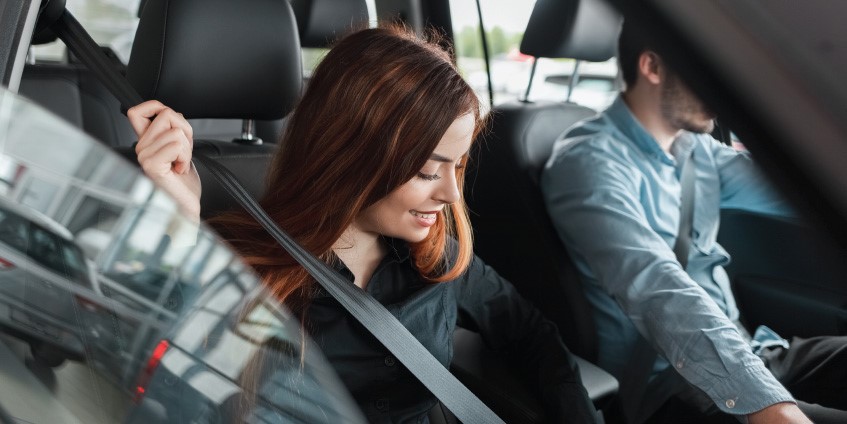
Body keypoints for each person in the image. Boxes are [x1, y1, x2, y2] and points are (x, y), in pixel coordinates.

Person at [128, 25, 599, 423]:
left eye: (457, 167)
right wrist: (178, 226)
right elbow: (171, 387)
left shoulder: (435, 256)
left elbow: (528, 331)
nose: (451, 195)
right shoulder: (242, 264)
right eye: (426, 172)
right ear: (354, 158)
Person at [541, 18, 847, 424]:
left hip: (751, 352)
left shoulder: (697, 151)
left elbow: (800, 185)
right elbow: (658, 287)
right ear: (652, 68)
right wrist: (769, 406)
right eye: (706, 74)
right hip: (674, 385)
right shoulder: (587, 163)